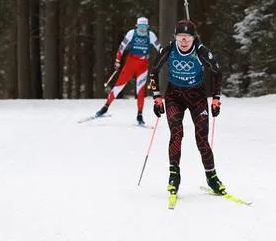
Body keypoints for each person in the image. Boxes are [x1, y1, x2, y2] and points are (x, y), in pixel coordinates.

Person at [147, 18, 225, 196]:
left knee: (202, 139)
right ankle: (174, 176)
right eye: (180, 37)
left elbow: (217, 71)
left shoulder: (201, 50)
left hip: (197, 96)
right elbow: (154, 70)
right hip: (174, 96)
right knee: (176, 133)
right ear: (175, 37)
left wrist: (216, 99)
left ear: (193, 38)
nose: (183, 41)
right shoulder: (169, 49)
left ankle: (212, 178)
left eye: (187, 38)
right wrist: (157, 97)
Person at [95, 16, 161, 125]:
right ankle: (105, 107)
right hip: (130, 63)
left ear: (147, 27)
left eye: (144, 26)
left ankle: (140, 115)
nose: (142, 29)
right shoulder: (131, 33)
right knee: (118, 86)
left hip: (143, 65)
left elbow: (159, 48)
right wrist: (117, 60)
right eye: (140, 26)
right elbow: (122, 47)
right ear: (137, 26)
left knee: (140, 91)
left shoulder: (151, 35)